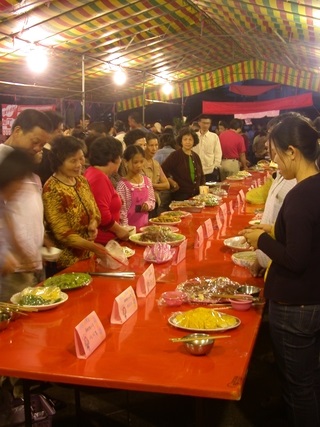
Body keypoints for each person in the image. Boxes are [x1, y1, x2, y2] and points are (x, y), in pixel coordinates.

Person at [241, 115, 320, 427]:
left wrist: (262, 239)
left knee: (297, 388)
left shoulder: (299, 195)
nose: (274, 161)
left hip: (296, 305)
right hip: (314, 298)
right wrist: (276, 230)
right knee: (311, 378)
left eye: (275, 153)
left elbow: (295, 259)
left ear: (292, 151)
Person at [0, 109, 53, 298]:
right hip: (10, 269)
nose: (38, 148)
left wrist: (41, 237)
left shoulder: (24, 164)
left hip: (30, 262)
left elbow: (21, 212)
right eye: (35, 141)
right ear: (17, 131)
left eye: (43, 144)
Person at [43, 135, 107, 271]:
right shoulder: (52, 189)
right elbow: (63, 234)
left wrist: (93, 224)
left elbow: (95, 210)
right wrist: (93, 247)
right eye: (73, 161)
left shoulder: (81, 181)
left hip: (88, 255)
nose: (79, 164)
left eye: (81, 158)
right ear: (59, 163)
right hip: (66, 262)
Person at [0, 149, 35, 301]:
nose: (22, 188)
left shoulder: (5, 203)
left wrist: (23, 254)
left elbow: (10, 231)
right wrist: (3, 258)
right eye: (21, 181)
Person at [84, 136, 130, 244]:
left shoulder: (92, 171)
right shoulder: (99, 178)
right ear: (115, 158)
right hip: (103, 241)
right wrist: (120, 231)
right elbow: (102, 214)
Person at [116, 145, 155, 230]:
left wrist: (148, 205)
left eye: (141, 162)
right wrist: (126, 229)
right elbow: (122, 212)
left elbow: (152, 200)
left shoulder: (147, 181)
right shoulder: (122, 185)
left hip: (144, 227)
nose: (139, 165)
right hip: (129, 229)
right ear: (126, 162)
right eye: (135, 162)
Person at [162, 127, 205, 200]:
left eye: (190, 139)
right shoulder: (175, 155)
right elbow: (162, 170)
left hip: (196, 196)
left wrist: (203, 191)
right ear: (181, 141)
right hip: (180, 196)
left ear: (194, 141)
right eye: (185, 139)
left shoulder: (196, 156)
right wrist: (172, 182)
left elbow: (202, 176)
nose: (188, 142)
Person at [34, 110, 64, 186]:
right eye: (59, 131)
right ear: (47, 131)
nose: (62, 134)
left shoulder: (51, 151)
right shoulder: (42, 155)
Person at [143, 132, 170, 216]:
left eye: (156, 145)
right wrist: (156, 185)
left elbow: (166, 185)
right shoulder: (139, 163)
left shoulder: (156, 163)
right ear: (145, 146)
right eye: (151, 145)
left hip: (155, 202)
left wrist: (150, 185)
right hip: (143, 204)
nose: (154, 148)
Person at [192, 114, 222, 182]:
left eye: (208, 123)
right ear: (199, 123)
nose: (205, 125)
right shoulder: (194, 136)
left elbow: (218, 153)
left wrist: (215, 166)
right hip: (196, 170)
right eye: (204, 123)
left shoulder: (214, 137)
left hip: (210, 170)